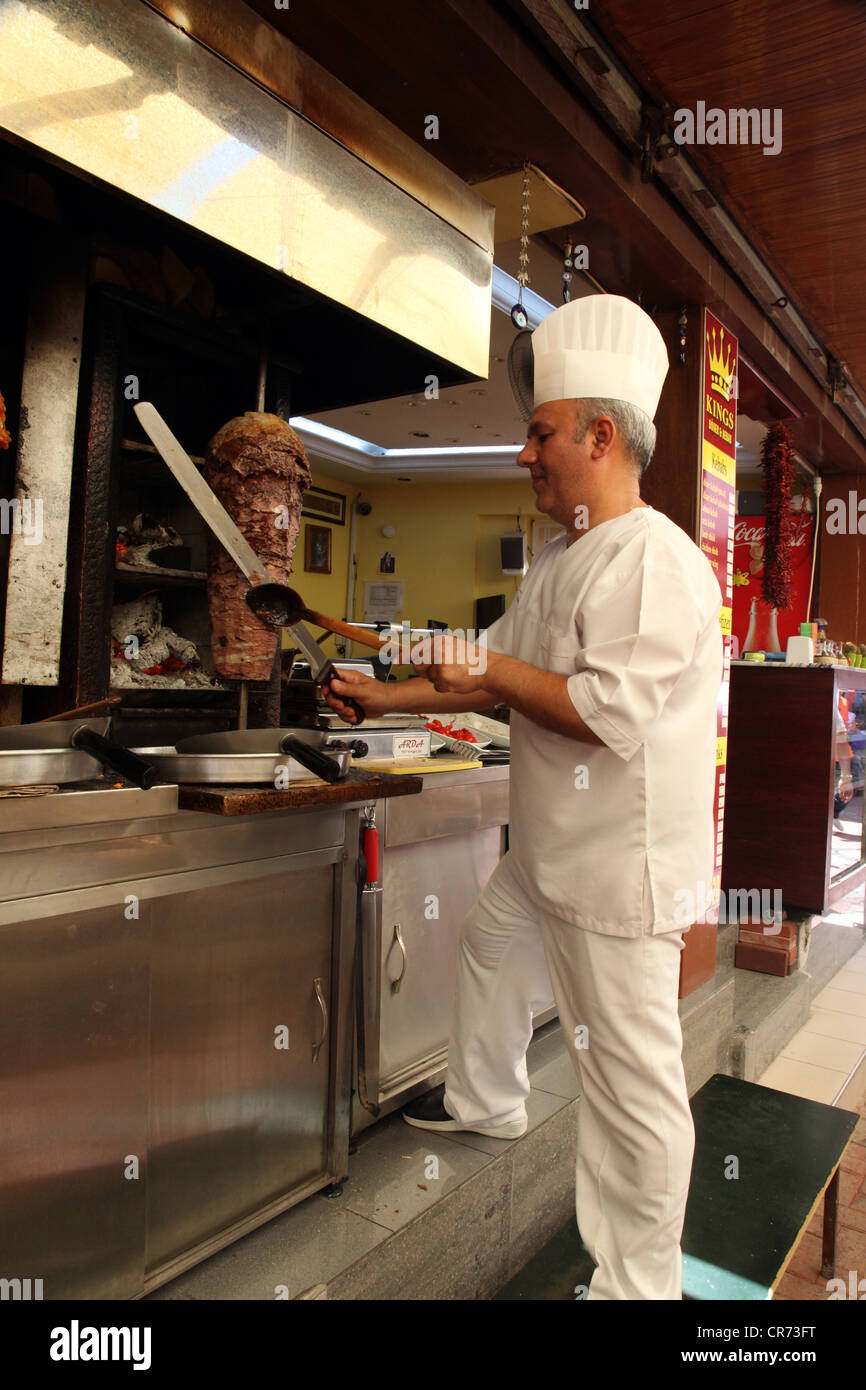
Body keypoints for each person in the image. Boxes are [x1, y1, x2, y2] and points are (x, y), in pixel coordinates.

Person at [323, 294, 723, 1301]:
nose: (521, 455)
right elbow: (484, 664)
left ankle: (640, 1289)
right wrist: (384, 687)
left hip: (615, 875)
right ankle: (489, 1098)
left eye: (537, 434)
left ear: (598, 434)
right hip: (548, 853)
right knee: (489, 946)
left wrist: (487, 679)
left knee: (627, 1092)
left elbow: (602, 713)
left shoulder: (653, 561)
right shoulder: (559, 559)